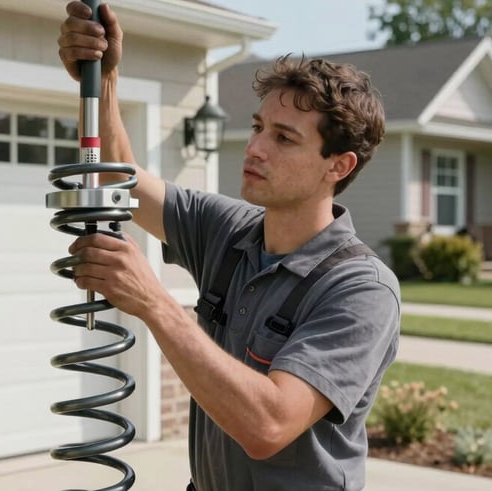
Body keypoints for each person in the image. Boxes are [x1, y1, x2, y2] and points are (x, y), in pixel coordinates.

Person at [58, 2, 400, 490]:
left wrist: (153, 301)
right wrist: (105, 80)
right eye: (259, 127)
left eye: (284, 138)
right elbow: (119, 182)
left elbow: (269, 426)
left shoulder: (361, 289)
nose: (255, 147)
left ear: (338, 166)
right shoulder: (229, 231)